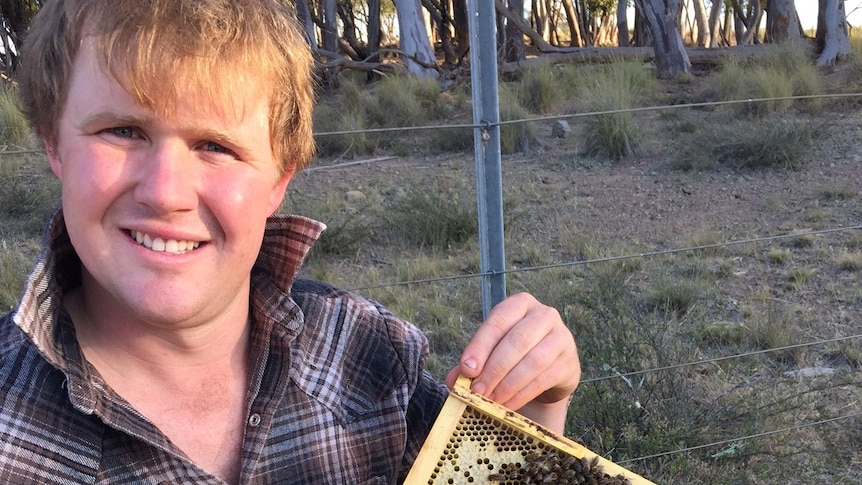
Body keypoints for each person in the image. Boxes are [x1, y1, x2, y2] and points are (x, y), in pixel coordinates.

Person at [0, 0, 580, 483]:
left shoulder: (365, 355)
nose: (165, 192)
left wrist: (531, 420)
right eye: (121, 131)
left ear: (280, 179)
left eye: (216, 147)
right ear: (54, 143)